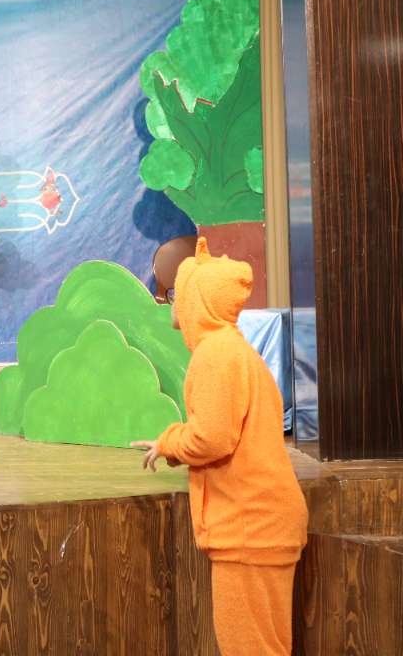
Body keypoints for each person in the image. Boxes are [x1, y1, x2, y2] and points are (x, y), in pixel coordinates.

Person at [133, 237, 307, 656]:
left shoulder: (216, 356)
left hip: (251, 527)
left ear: (197, 300)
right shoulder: (230, 351)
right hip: (259, 525)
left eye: (176, 293)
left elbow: (211, 437)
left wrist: (169, 441)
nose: (171, 301)